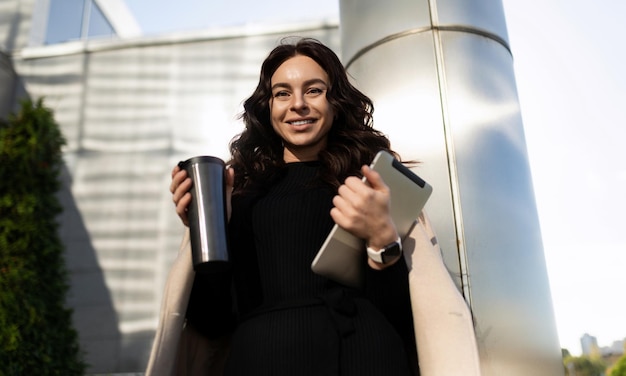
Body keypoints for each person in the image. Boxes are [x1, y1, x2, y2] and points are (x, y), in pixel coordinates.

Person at [146, 38, 481, 376]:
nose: (298, 105)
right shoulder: (238, 196)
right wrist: (204, 230)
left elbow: (408, 321)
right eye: (282, 93)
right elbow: (212, 323)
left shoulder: (372, 187)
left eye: (314, 90)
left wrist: (383, 241)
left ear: (336, 102)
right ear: (267, 107)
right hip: (259, 360)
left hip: (363, 357)